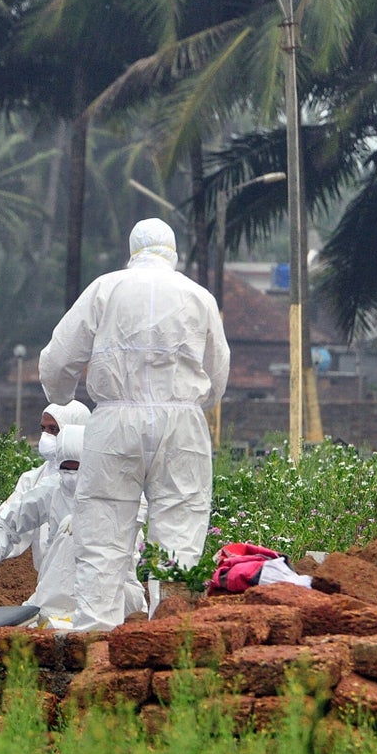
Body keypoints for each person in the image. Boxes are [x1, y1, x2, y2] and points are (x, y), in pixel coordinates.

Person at [40, 217, 230, 631]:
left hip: (115, 421)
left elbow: (58, 358)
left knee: (102, 532)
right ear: (173, 251)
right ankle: (170, 635)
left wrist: (61, 396)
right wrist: (196, 401)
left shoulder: (105, 289)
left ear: (132, 250)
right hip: (182, 423)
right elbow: (218, 376)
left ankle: (95, 638)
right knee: (180, 530)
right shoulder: (198, 296)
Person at [0, 425, 85, 627]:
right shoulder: (52, 490)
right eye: (65, 469)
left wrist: (88, 519)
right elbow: (6, 524)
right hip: (53, 599)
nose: (70, 476)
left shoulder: (110, 494)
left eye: (76, 468)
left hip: (100, 599)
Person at [0, 400, 90, 574]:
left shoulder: (108, 484)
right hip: (51, 584)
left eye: (54, 430)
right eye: (43, 429)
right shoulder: (40, 483)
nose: (46, 436)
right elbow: (8, 523)